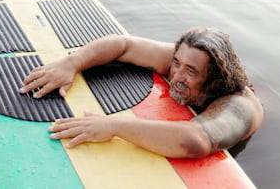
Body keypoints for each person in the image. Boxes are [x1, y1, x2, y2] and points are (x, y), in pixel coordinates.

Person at [19, 26, 263, 158]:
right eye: (176, 63)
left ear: (214, 79)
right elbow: (123, 45)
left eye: (190, 71)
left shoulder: (238, 105)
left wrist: (114, 126)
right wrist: (70, 64)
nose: (176, 76)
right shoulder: (183, 61)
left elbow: (195, 141)